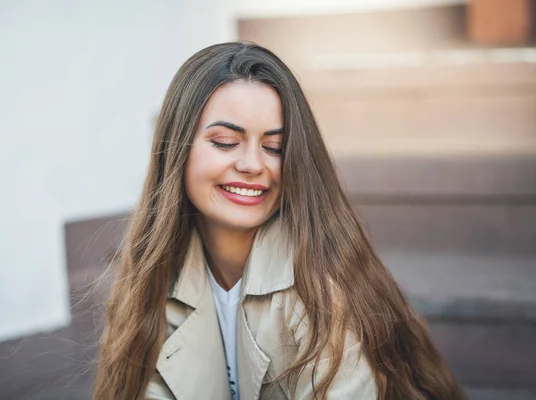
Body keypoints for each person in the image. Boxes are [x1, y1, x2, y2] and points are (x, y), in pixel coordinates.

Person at [93, 42, 466, 400]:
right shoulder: (152, 277)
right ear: (176, 149)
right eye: (224, 142)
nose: (253, 165)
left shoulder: (322, 290)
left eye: (274, 147)